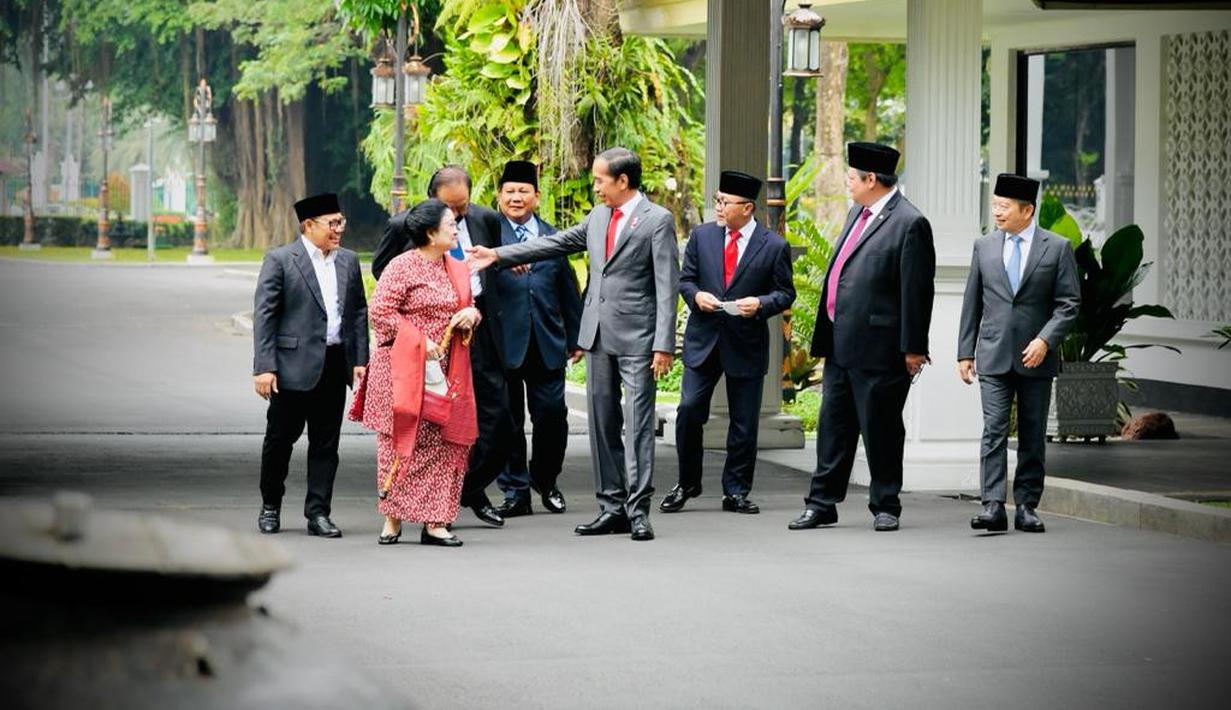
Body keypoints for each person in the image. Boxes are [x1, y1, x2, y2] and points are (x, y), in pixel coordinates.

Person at [468, 147, 679, 542]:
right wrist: (497, 254)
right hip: (598, 336)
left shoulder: (657, 220)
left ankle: (638, 511)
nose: (595, 186)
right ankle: (611, 506)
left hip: (638, 339)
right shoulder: (599, 216)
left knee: (637, 428)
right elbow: (556, 243)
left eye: (600, 180)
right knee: (602, 425)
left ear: (623, 181)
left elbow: (667, 285)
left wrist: (663, 345)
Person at [790, 142, 935, 533]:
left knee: (882, 429)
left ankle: (886, 504)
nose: (847, 183)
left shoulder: (909, 222)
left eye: (852, 177)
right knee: (833, 428)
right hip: (841, 345)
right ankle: (822, 503)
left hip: (882, 349)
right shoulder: (858, 212)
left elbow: (917, 290)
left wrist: (914, 347)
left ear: (872, 179)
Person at [372, 166, 513, 529]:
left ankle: (451, 504)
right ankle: (400, 516)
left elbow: (479, 288)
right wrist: (420, 339)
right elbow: (381, 304)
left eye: (461, 211)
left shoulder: (474, 237)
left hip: (462, 352)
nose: (459, 222)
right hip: (410, 362)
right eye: (451, 216)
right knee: (406, 438)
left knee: (468, 434)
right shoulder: (403, 251)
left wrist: (472, 314)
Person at [662, 170, 795, 515]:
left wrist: (761, 305)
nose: (717, 207)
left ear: (747, 208)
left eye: (724, 202)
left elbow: (785, 293)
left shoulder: (774, 245)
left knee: (744, 422)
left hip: (746, 341)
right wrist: (696, 297)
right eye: (717, 200)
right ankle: (687, 483)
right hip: (703, 338)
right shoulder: (702, 236)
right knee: (689, 411)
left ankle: (735, 491)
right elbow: (686, 280)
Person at [350, 199, 482, 547]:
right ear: (430, 232)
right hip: (401, 370)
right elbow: (381, 313)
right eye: (450, 224)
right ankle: (392, 519)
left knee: (442, 444)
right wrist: (421, 342)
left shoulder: (455, 266)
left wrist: (471, 316)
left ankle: (436, 522)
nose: (456, 229)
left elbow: (468, 305)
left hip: (445, 369)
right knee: (399, 442)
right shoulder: (401, 267)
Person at [958, 173, 1080, 534]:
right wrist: (965, 352)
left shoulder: (1056, 248)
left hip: (1035, 356)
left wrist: (1045, 340)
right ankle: (993, 505)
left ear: (1027, 210)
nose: (997, 211)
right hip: (993, 353)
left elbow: (1069, 304)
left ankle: (1027, 505)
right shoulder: (984, 246)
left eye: (1004, 206)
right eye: (995, 205)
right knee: (993, 430)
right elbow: (972, 302)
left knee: (1031, 433)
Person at [252, 193, 369, 538]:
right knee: (279, 440)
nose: (339, 230)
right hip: (290, 368)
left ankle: (318, 513)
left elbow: (359, 312)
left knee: (325, 445)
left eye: (341, 222)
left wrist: (360, 360)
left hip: (334, 365)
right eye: (332, 223)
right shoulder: (281, 260)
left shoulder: (348, 260)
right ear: (309, 225)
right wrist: (264, 366)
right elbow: (265, 316)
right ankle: (271, 504)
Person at [488, 160, 584, 518]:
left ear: (537, 197)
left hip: (547, 341)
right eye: (509, 191)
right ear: (499, 196)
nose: (516, 198)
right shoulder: (489, 237)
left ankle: (545, 480)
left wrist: (576, 338)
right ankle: (515, 492)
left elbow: (568, 291)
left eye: (523, 191)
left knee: (552, 416)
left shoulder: (554, 237)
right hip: (503, 344)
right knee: (508, 421)